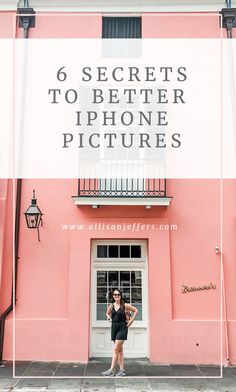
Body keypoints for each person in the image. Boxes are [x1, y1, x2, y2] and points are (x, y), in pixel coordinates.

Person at [102, 288, 139, 377]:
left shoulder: (125, 305)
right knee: (120, 350)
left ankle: (111, 370)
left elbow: (136, 310)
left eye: (118, 295)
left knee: (115, 349)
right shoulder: (111, 306)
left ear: (121, 295)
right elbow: (107, 313)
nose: (117, 296)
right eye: (115, 295)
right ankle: (122, 370)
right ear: (113, 296)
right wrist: (108, 317)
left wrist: (131, 321)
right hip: (114, 328)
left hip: (122, 328)